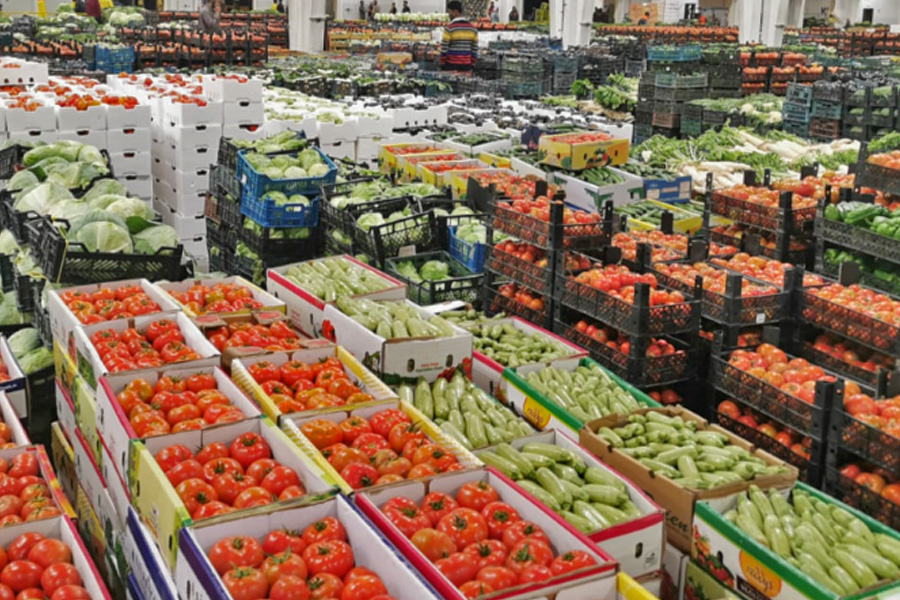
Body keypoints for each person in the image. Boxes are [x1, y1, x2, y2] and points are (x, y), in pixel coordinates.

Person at [441, 0, 477, 71]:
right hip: (466, 65)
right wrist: (472, 64)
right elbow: (474, 49)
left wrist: (442, 63)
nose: (449, 14)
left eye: (449, 12)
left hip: (451, 65)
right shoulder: (472, 28)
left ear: (455, 12)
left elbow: (444, 49)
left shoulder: (449, 28)